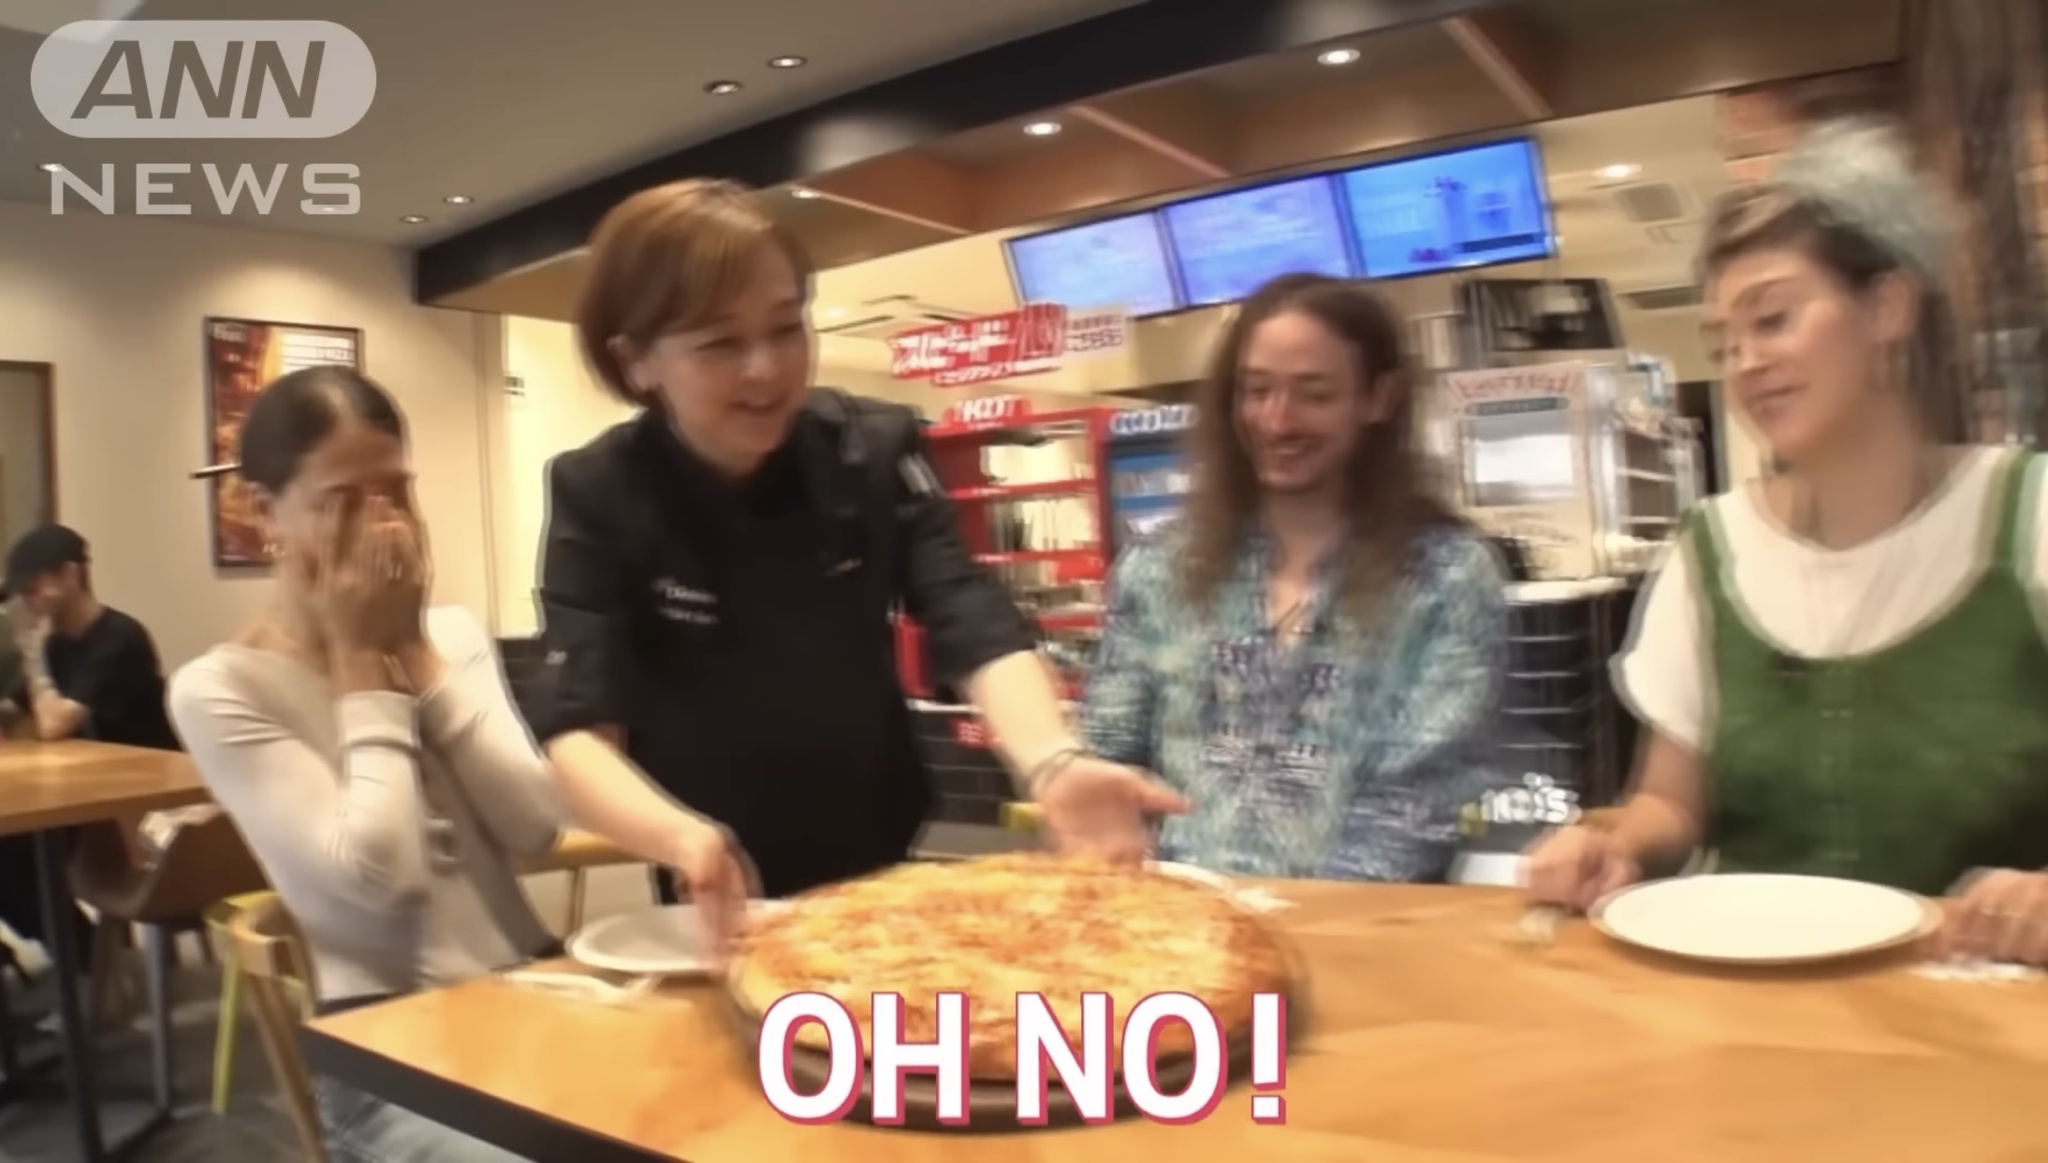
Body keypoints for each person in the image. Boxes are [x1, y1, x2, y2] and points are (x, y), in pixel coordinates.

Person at [533, 178, 1183, 935]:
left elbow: (967, 613)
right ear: (636, 361)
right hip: (712, 875)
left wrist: (1053, 761)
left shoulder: (870, 450)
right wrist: (681, 839)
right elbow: (578, 731)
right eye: (720, 343)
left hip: (882, 851)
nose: (766, 368)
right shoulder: (599, 490)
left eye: (787, 327)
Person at [1525, 119, 2048, 965]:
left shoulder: (2029, 514)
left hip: (1981, 1008)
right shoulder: (1711, 546)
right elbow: (1672, 803)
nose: (1746, 361)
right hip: (1749, 1001)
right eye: (1724, 343)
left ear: (1887, 306)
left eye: (1772, 319)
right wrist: (1615, 844)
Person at [168, 366, 559, 1163]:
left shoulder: (450, 635)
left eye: (398, 493)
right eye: (342, 501)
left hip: (538, 989)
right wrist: (357, 657)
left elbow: (536, 824)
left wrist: (410, 646)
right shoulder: (221, 688)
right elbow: (385, 884)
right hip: (389, 1050)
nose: (383, 526)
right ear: (262, 510)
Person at [1083, 273, 1509, 881]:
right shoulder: (1158, 568)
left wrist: (1290, 918)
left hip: (1359, 926)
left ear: (1379, 398)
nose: (1277, 421)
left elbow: (1420, 800)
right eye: (1257, 391)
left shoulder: (1446, 576)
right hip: (1180, 917)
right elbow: (1109, 753)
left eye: (1315, 395)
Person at [6, 524, 176, 750]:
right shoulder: (56, 644)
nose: (27, 603)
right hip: (90, 765)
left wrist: (31, 648)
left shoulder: (121, 638)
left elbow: (53, 725)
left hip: (148, 766)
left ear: (70, 575)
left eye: (32, 590)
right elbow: (15, 707)